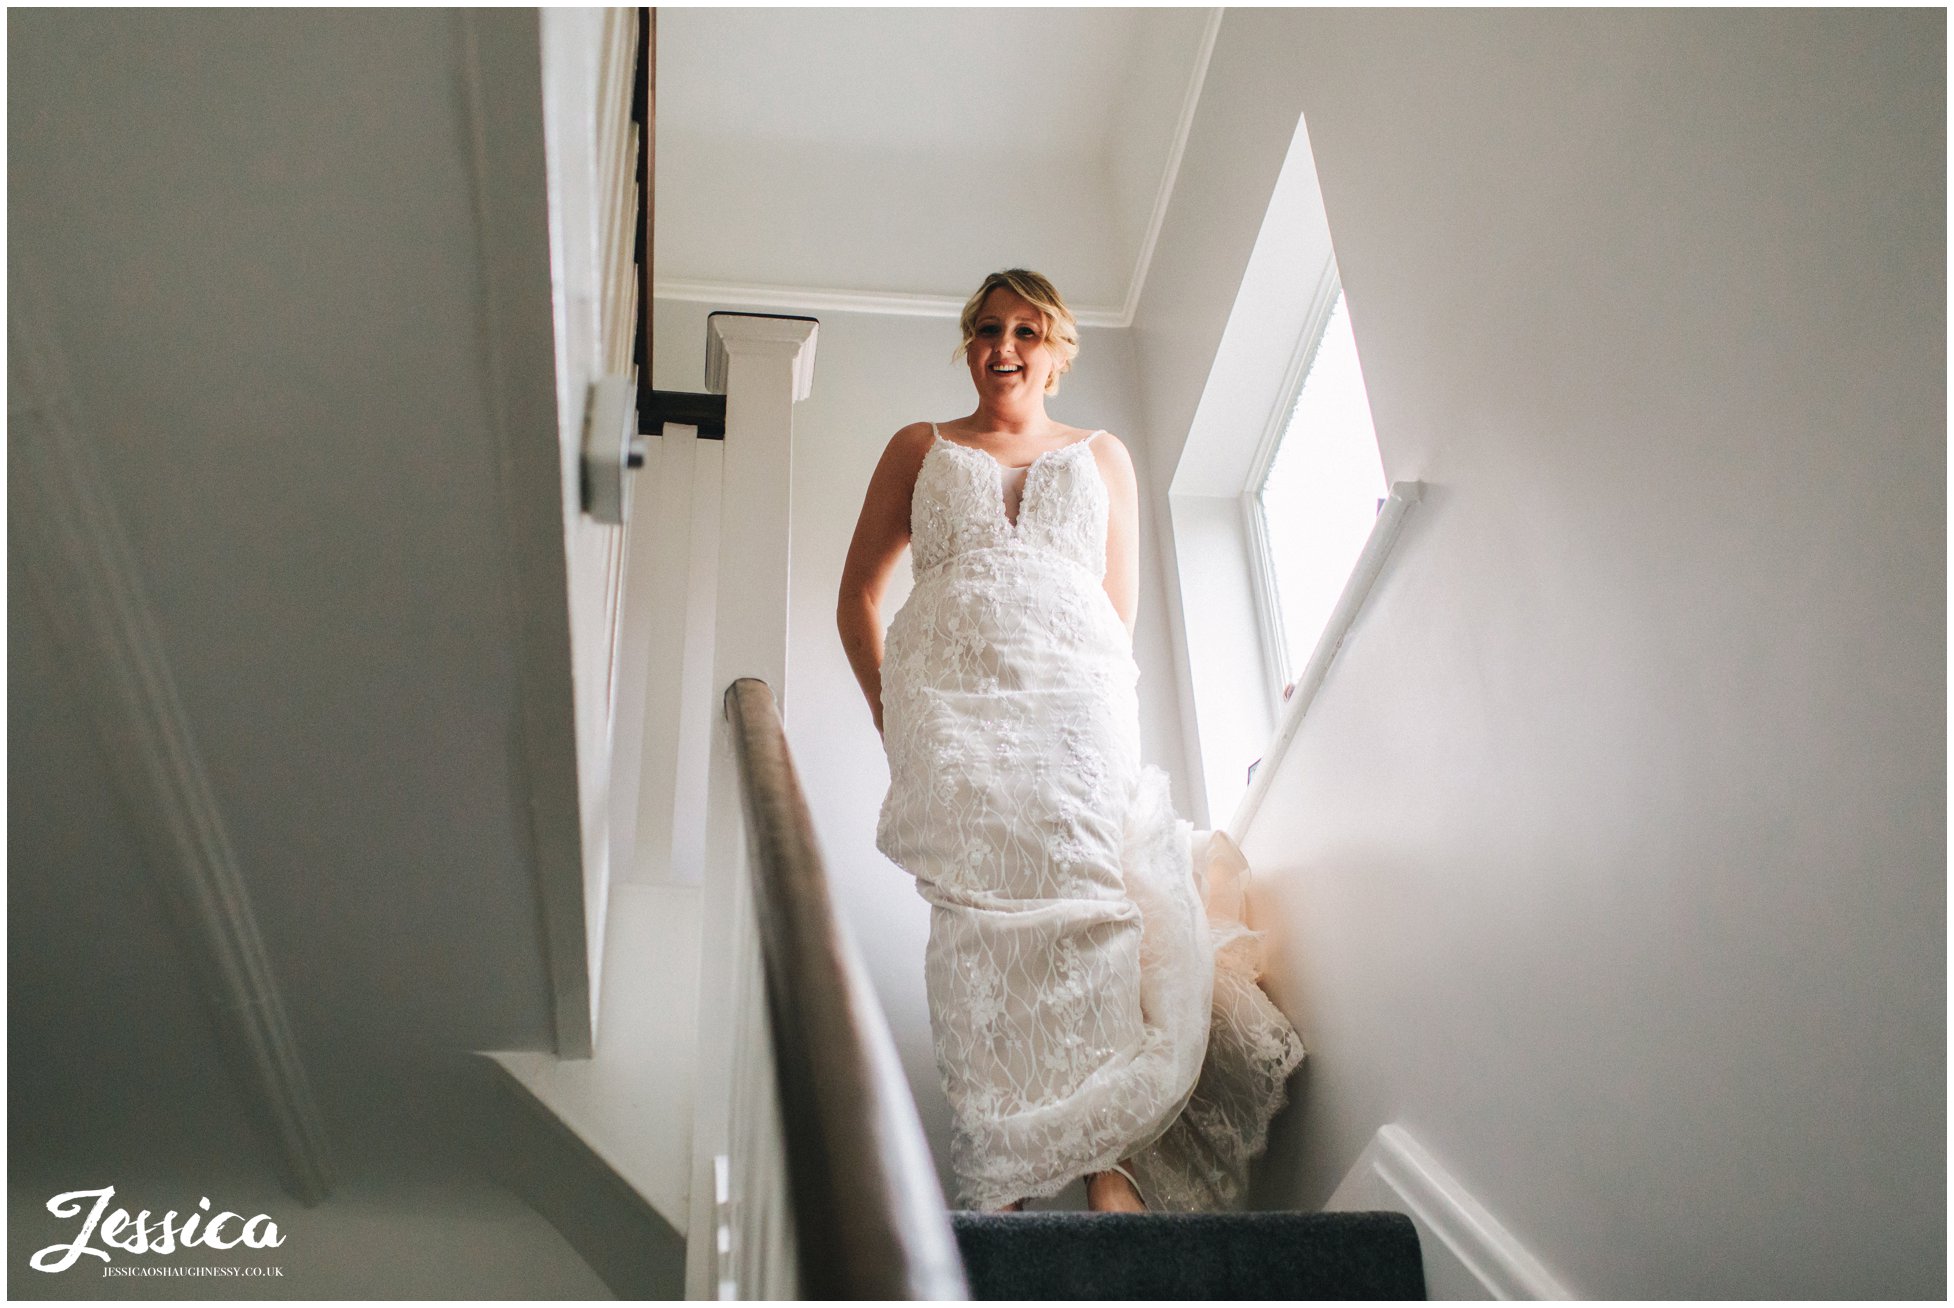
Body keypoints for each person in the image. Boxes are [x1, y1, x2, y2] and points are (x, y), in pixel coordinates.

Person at [837, 269, 1303, 1214]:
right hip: (953, 725)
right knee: (976, 928)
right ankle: (1002, 1188)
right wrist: (895, 713)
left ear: (1056, 352)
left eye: (1026, 331)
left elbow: (1112, 616)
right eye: (987, 330)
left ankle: (1111, 1177)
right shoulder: (918, 448)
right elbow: (858, 597)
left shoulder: (1101, 456)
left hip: (1073, 719)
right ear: (969, 346)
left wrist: (1088, 722)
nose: (1003, 347)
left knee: (1092, 910)